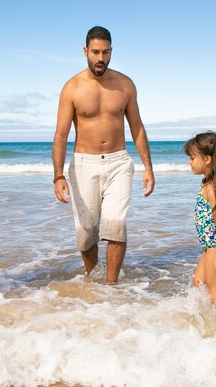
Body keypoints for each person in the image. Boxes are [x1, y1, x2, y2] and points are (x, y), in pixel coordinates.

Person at [52, 26, 155, 284]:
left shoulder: (125, 85)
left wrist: (148, 168)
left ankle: (112, 286)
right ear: (85, 51)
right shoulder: (72, 88)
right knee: (86, 233)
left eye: (105, 52)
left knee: (116, 224)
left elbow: (137, 127)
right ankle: (93, 276)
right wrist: (58, 176)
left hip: (118, 161)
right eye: (95, 52)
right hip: (83, 164)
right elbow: (61, 135)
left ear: (111, 52)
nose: (100, 58)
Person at [184, 131, 216, 310]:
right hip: (211, 246)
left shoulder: (212, 189)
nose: (189, 162)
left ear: (207, 160)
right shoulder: (210, 184)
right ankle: (213, 323)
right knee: (198, 282)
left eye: (192, 158)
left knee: (215, 295)